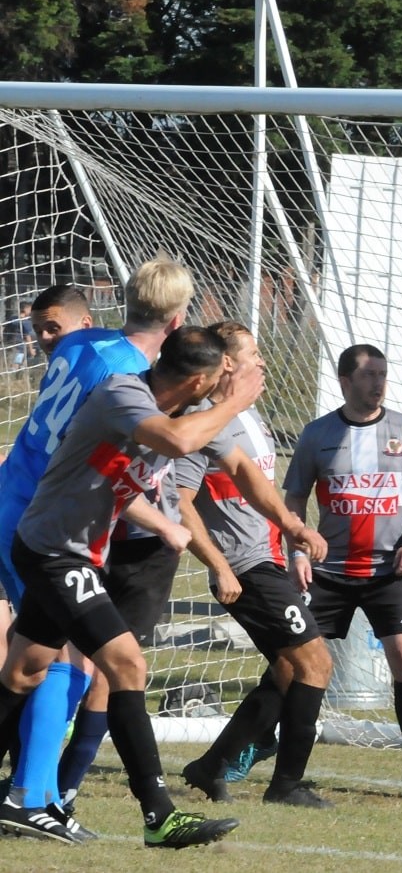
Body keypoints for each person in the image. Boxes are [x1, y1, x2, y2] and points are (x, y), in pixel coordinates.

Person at [0, 325, 264, 848]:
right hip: (53, 552)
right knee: (127, 664)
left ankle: (13, 801)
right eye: (214, 379)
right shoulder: (124, 392)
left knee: (25, 671)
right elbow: (180, 441)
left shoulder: (172, 411)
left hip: (75, 553)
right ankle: (160, 815)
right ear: (197, 382)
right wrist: (234, 400)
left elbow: (112, 473)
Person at [0, 260, 194, 842]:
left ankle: (37, 794)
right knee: (65, 658)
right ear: (179, 320)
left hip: (16, 493)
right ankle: (32, 796)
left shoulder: (83, 341)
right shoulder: (129, 377)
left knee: (37, 656)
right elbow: (98, 465)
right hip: (46, 519)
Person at [175, 321, 335, 809]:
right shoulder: (203, 422)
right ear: (227, 364)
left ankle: (211, 766)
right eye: (253, 354)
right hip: (245, 567)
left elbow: (256, 486)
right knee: (315, 664)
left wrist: (293, 540)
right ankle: (286, 786)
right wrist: (220, 565)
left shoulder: (250, 418)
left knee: (288, 672)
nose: (263, 363)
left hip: (269, 560)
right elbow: (179, 502)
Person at [283, 344, 402, 799]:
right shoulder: (317, 434)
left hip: (388, 571)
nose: (378, 383)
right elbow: (294, 499)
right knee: (290, 662)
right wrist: (298, 553)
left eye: (383, 374)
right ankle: (255, 745)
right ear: (345, 381)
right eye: (369, 375)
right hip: (327, 571)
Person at [5, 301, 37, 370]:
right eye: (30, 309)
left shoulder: (12, 318)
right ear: (25, 309)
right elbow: (28, 336)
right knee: (17, 364)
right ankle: (16, 372)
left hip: (9, 344)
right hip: (20, 347)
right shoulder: (26, 322)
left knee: (10, 361)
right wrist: (31, 349)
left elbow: (4, 327)